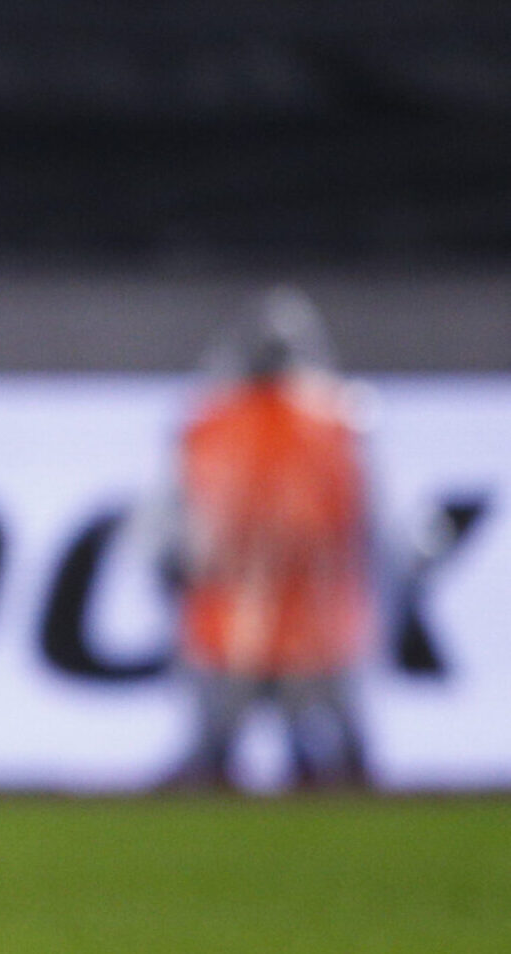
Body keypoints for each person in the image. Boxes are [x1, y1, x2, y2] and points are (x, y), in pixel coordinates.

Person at [162, 288, 374, 790]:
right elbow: (369, 528)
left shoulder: (211, 423)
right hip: (308, 617)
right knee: (335, 755)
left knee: (219, 750)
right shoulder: (341, 422)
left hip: (247, 615)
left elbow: (177, 532)